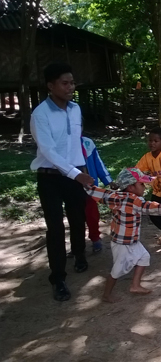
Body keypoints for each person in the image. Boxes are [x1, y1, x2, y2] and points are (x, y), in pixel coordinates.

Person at [30, 62, 95, 301]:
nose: (70, 87)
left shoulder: (75, 109)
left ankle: (79, 253)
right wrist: (74, 173)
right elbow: (47, 151)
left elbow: (75, 143)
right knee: (55, 227)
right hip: (50, 178)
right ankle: (58, 278)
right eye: (64, 83)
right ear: (51, 85)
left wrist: (83, 170)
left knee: (78, 218)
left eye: (72, 82)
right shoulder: (40, 114)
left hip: (76, 174)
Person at [85, 168, 161, 303]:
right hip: (123, 243)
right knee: (117, 270)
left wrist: (86, 185)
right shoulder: (134, 200)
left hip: (127, 240)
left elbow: (100, 193)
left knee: (144, 257)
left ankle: (135, 286)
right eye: (141, 184)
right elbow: (149, 207)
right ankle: (106, 295)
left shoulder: (115, 197)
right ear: (131, 187)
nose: (144, 187)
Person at [66, 136, 116, 257]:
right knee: (74, 218)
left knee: (92, 215)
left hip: (90, 188)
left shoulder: (88, 143)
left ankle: (95, 239)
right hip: (71, 188)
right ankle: (77, 246)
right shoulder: (64, 142)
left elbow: (98, 163)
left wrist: (108, 180)